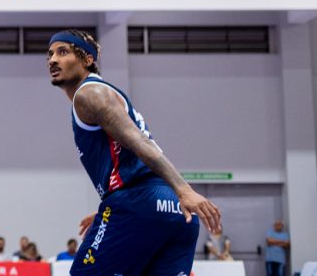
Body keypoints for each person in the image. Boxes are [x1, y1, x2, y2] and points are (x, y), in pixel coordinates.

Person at [48, 29, 221, 276]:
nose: (53, 60)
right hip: (174, 210)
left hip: (140, 202)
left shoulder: (89, 94)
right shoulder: (104, 93)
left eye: (63, 52)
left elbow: (139, 142)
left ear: (87, 59)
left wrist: (184, 190)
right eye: (50, 54)